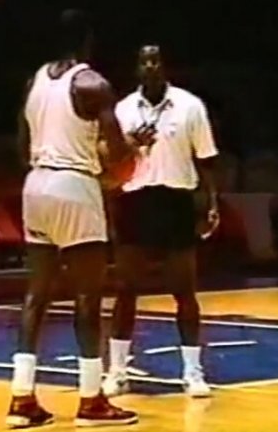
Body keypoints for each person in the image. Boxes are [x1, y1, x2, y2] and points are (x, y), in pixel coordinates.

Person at [6, 10, 153, 428]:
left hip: (35, 184)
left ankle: (21, 399)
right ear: (88, 42)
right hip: (74, 184)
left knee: (35, 296)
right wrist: (134, 147)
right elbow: (117, 153)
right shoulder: (93, 83)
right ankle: (92, 400)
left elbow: (22, 145)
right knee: (88, 298)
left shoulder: (34, 81)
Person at [102, 44, 219, 398]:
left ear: (166, 66)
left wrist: (211, 203)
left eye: (156, 60)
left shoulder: (190, 106)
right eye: (144, 61)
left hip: (176, 201)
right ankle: (117, 371)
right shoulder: (122, 110)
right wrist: (130, 144)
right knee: (126, 289)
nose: (150, 66)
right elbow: (109, 162)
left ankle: (193, 372)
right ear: (137, 68)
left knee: (184, 290)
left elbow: (206, 160)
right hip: (135, 200)